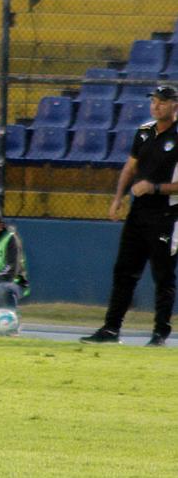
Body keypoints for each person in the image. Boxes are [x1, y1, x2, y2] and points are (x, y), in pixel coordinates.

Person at [81, 85, 178, 347]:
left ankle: (160, 333)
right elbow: (130, 167)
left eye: (163, 102)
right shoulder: (144, 132)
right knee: (124, 271)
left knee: (163, 274)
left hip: (167, 214)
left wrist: (154, 187)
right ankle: (111, 329)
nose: (156, 106)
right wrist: (118, 197)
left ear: (174, 105)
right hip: (139, 212)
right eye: (154, 101)